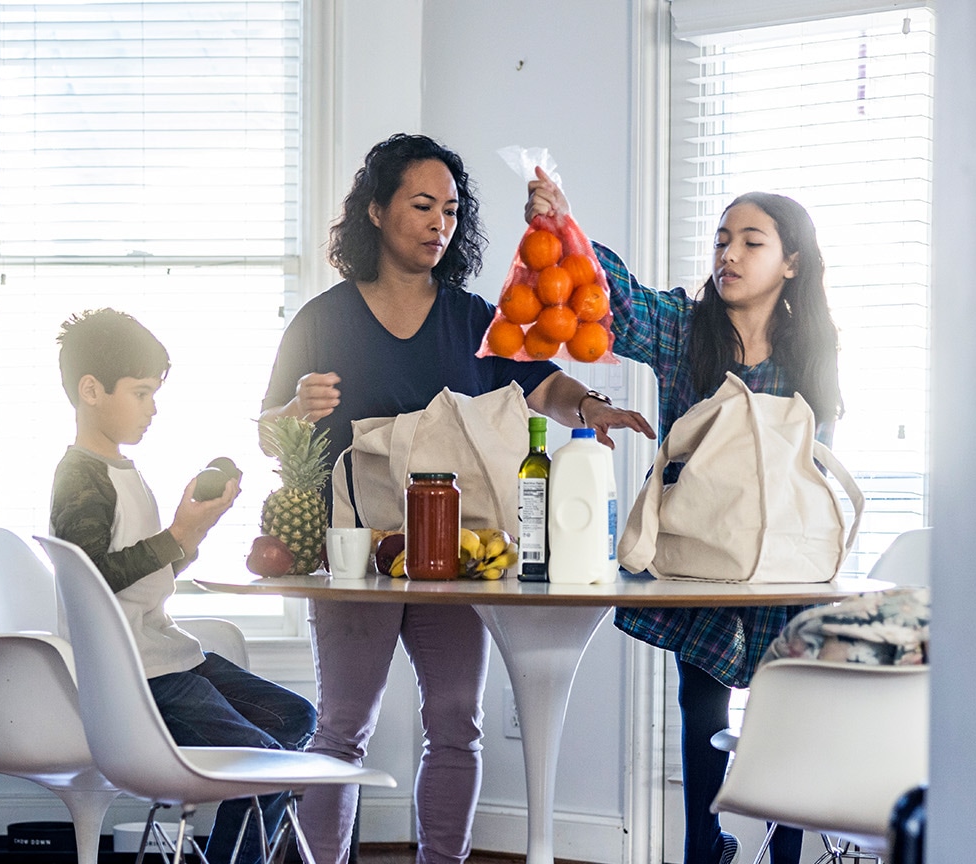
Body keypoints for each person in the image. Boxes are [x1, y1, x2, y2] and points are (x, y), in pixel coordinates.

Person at [259, 133, 655, 864]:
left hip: (456, 550)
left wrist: (591, 406)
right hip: (355, 552)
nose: (439, 223)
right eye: (421, 205)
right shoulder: (322, 320)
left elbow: (542, 385)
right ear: (375, 211)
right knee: (344, 723)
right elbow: (267, 434)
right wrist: (292, 411)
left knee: (455, 721)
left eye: (450, 209)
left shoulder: (473, 318)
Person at [527, 170, 842, 864]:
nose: (728, 254)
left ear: (790, 262)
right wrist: (565, 227)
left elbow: (819, 458)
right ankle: (705, 848)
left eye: (750, 243)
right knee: (700, 704)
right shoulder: (682, 329)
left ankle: (783, 854)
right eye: (723, 240)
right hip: (698, 552)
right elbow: (619, 302)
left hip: (781, 563)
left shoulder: (813, 352)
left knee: (780, 711)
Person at [49, 308, 317, 864]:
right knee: (265, 767)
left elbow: (144, 578)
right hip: (137, 675)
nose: (153, 408)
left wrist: (193, 533)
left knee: (296, 720)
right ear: (91, 390)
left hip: (169, 657)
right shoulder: (81, 476)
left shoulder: (124, 469)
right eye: (141, 393)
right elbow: (94, 578)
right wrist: (176, 535)